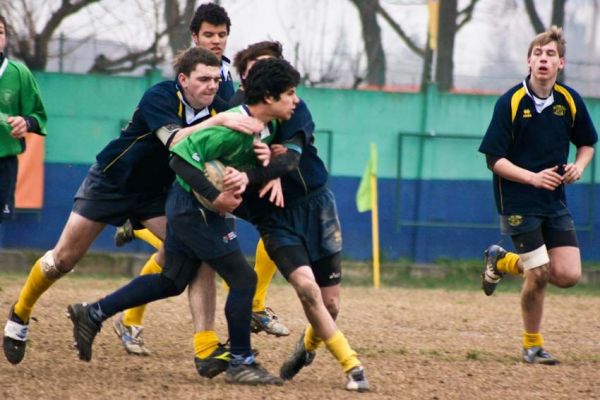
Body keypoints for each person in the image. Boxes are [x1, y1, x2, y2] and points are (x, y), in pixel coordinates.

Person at [2, 46, 262, 365]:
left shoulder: (217, 106)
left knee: (200, 253)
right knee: (63, 259)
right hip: (112, 182)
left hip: (156, 195)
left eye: (214, 79)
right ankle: (21, 312)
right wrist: (221, 120)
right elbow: (176, 141)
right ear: (182, 79)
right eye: (203, 79)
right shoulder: (161, 96)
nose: (211, 86)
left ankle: (206, 347)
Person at [67, 58, 301, 385]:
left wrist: (261, 163)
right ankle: (240, 362)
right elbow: (179, 158)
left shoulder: (263, 126)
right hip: (193, 208)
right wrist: (214, 194)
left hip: (196, 206)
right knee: (244, 279)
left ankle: (92, 312)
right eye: (290, 93)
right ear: (269, 98)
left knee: (172, 281)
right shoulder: (231, 124)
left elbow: (239, 166)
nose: (296, 100)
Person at [112, 5, 289, 357]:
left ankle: (250, 307)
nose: (216, 41)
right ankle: (133, 319)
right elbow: (192, 139)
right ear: (195, 37)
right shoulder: (190, 81)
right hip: (185, 170)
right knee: (186, 253)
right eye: (209, 34)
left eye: (222, 35)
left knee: (273, 223)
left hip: (218, 175)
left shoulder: (234, 83)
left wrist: (274, 165)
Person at [228, 45, 370, 391]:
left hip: (316, 207)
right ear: (248, 81)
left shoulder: (295, 107)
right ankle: (353, 368)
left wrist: (266, 168)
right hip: (275, 220)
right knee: (307, 288)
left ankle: (306, 348)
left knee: (330, 303)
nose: (289, 93)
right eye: (256, 70)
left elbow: (289, 160)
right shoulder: (232, 117)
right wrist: (255, 173)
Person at [478, 26, 597, 365]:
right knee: (540, 272)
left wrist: (580, 165)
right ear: (528, 61)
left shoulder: (570, 101)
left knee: (569, 275)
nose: (543, 60)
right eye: (538, 54)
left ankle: (501, 260)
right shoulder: (511, 102)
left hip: (554, 201)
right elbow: (494, 159)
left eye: (550, 55)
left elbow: (587, 143)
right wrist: (531, 177)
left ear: (561, 63)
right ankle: (532, 345)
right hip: (517, 200)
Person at [0, 15, 47, 223]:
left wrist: (25, 122)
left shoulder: (19, 73)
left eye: (0, 32)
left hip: (4, 162)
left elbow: (38, 116)